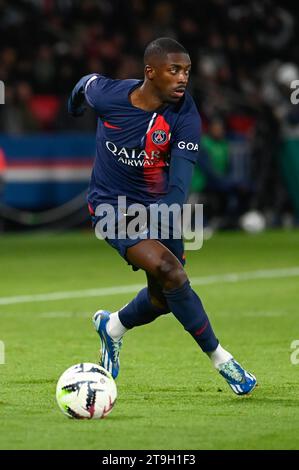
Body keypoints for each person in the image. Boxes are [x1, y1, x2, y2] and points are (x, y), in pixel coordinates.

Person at [68, 37, 257, 396]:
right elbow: (84, 84)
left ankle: (112, 328)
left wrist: (162, 216)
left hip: (161, 208)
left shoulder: (185, 116)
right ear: (150, 73)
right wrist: (74, 105)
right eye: (174, 70)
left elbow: (179, 187)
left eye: (187, 71)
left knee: (163, 297)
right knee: (172, 272)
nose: (183, 78)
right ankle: (223, 360)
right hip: (111, 207)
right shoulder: (110, 96)